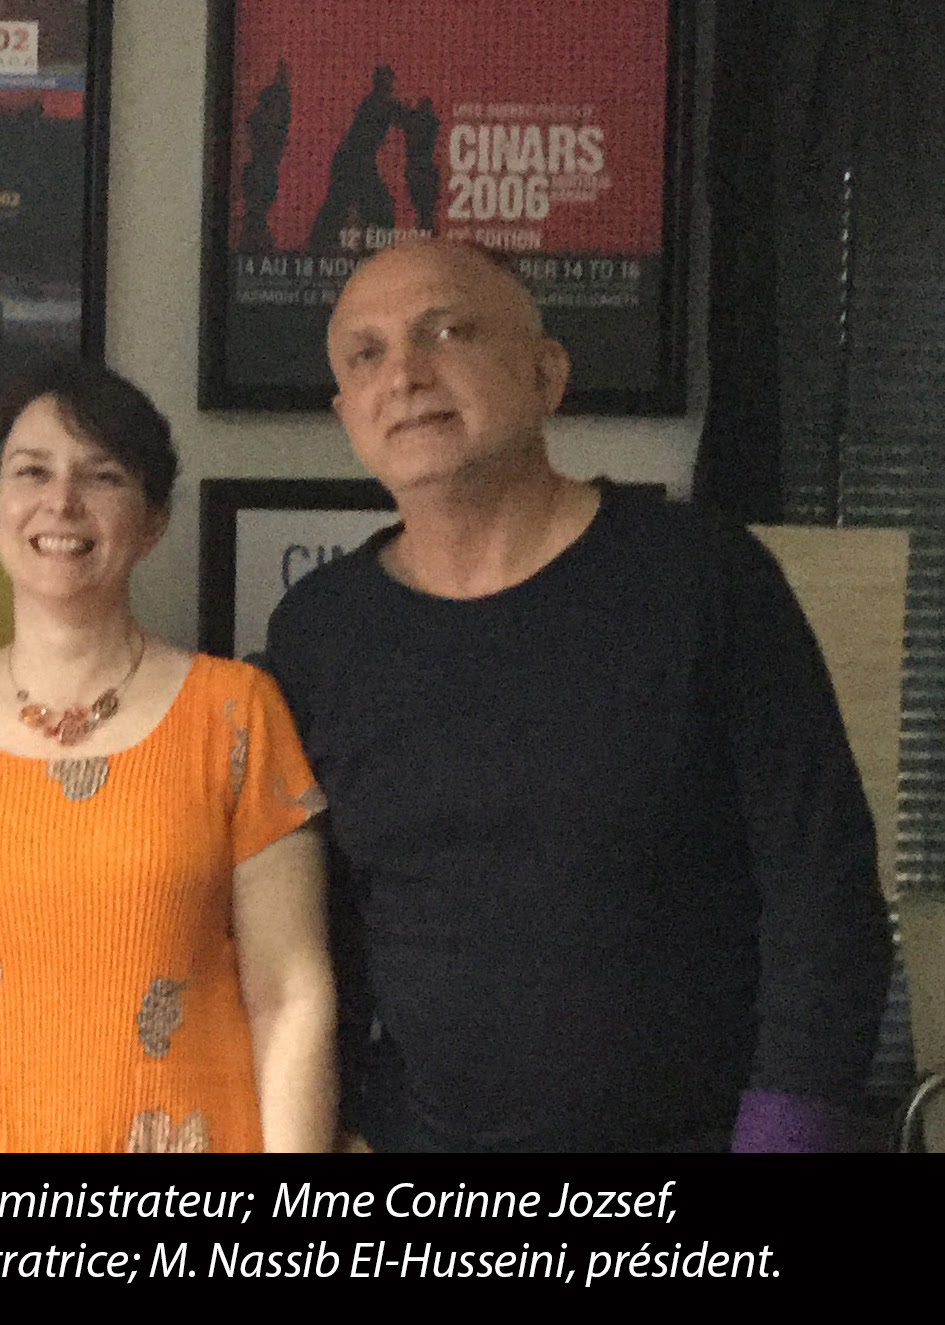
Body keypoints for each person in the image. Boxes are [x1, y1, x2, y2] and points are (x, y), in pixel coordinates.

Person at [267, 238, 893, 1150]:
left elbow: (821, 893)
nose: (403, 372)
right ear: (346, 413)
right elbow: (323, 931)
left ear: (544, 374)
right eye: (366, 353)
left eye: (445, 330)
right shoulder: (318, 632)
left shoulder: (701, 577)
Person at [0, 357, 335, 1153]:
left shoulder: (234, 714)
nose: (61, 502)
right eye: (31, 472)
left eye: (101, 476)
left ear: (153, 518)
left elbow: (288, 993)